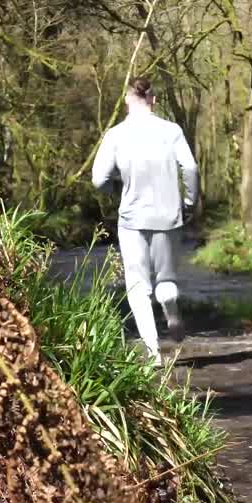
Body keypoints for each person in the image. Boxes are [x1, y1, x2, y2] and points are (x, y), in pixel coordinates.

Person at [92, 77, 199, 365]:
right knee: (166, 278)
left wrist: (117, 190)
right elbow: (189, 167)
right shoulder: (171, 130)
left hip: (132, 217)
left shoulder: (116, 134)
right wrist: (189, 202)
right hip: (169, 215)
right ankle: (171, 308)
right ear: (154, 100)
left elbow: (98, 179)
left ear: (128, 99)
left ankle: (153, 352)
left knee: (137, 283)